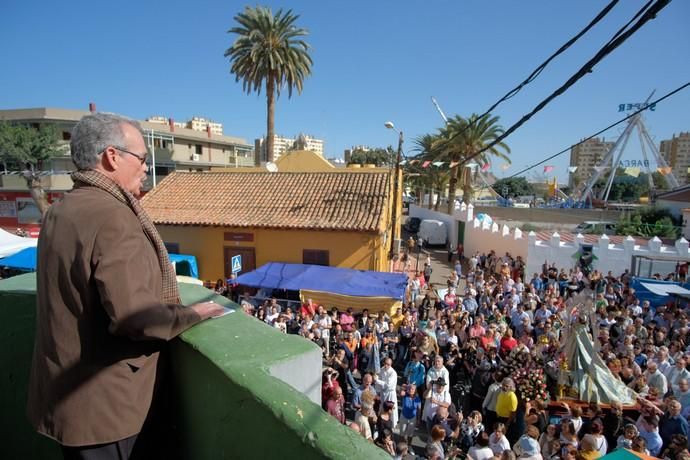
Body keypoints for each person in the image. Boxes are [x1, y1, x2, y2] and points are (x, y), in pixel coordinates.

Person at [26, 113, 225, 458]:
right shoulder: (114, 217)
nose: (147, 168)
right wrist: (189, 314)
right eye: (143, 159)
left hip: (67, 403)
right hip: (109, 410)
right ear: (112, 157)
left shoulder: (61, 210)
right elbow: (135, 317)